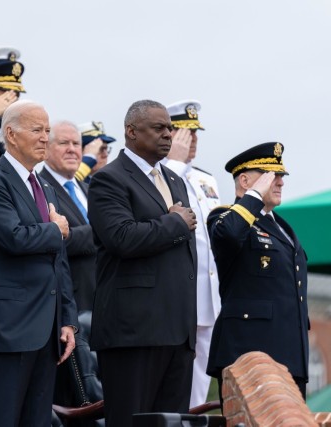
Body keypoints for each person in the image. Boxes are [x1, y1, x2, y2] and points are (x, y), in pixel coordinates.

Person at [88, 100, 198, 427]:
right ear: (131, 132)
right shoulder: (109, 179)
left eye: (170, 128)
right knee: (130, 421)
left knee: (172, 422)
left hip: (177, 330)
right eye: (159, 128)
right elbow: (121, 237)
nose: (168, 134)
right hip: (134, 331)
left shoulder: (175, 181)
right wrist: (176, 223)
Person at [0, 100, 78, 427]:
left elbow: (58, 261)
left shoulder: (42, 185)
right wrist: (55, 229)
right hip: (11, 325)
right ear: (11, 135)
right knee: (5, 417)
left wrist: (68, 318)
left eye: (47, 130)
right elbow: (14, 238)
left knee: (38, 419)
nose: (45, 137)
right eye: (37, 130)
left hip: (47, 326)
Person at [206, 142, 309, 400]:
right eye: (270, 175)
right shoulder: (225, 218)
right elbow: (229, 234)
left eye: (281, 176)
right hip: (249, 355)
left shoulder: (282, 227)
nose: (280, 182)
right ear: (244, 180)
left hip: (289, 356)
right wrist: (253, 196)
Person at [164, 99, 221, 408]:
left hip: (208, 296)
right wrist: (173, 162)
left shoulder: (205, 179)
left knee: (200, 387)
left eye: (195, 132)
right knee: (174, 382)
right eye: (186, 132)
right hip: (177, 298)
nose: (193, 139)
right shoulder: (159, 174)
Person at [39, 120, 96, 311]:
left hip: (106, 296)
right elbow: (53, 241)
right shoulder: (37, 189)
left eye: (76, 144)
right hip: (68, 302)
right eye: (63, 143)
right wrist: (105, 233)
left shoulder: (92, 189)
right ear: (45, 149)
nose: (72, 149)